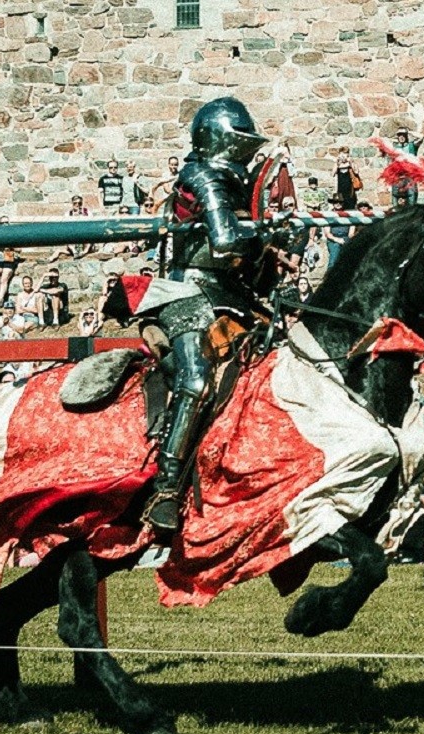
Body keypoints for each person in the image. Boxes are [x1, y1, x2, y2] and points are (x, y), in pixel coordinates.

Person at [120, 97, 273, 537]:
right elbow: (224, 241)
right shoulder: (202, 175)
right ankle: (166, 488)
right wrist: (265, 231)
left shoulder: (232, 181)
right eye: (239, 143)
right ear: (219, 140)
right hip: (188, 291)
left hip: (229, 295)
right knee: (195, 378)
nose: (245, 154)